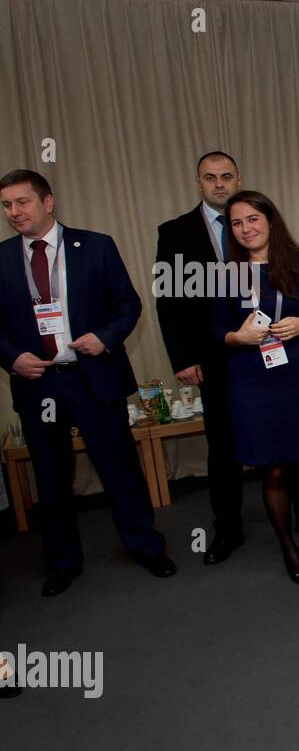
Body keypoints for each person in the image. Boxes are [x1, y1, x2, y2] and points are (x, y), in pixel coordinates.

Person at [0, 169, 176, 597]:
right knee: (51, 475)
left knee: (119, 467)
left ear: (47, 202)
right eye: (6, 205)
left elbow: (127, 303)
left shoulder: (94, 246)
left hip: (92, 377)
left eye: (21, 202)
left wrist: (105, 337)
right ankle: (62, 561)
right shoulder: (2, 257)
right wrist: (11, 358)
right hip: (39, 383)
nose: (13, 212)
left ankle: (145, 546)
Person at [156, 152, 299, 566]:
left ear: (238, 180)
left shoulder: (293, 254)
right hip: (222, 358)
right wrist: (184, 356)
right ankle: (228, 529)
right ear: (198, 181)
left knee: (294, 447)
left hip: (287, 361)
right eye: (209, 177)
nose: (218, 184)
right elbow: (169, 301)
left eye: (226, 176)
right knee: (227, 447)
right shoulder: (176, 233)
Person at [212, 190, 299, 584]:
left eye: (252, 219)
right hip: (254, 381)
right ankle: (288, 546)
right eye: (236, 223)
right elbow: (215, 332)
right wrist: (238, 337)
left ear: (270, 220)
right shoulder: (224, 274)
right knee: (271, 472)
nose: (245, 228)